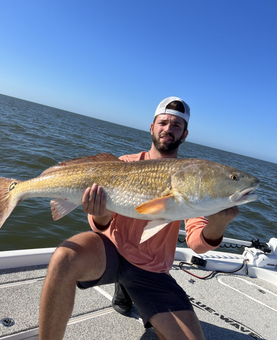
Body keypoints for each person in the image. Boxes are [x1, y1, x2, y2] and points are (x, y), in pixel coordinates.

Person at [39, 97, 239, 340]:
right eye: (163, 122)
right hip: (111, 252)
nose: (168, 129)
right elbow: (101, 226)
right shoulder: (124, 164)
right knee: (64, 258)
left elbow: (197, 242)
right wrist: (99, 213)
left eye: (176, 125)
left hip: (152, 269)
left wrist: (218, 225)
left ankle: (129, 290)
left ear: (185, 135)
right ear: (152, 127)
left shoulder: (191, 180)